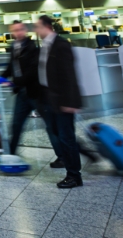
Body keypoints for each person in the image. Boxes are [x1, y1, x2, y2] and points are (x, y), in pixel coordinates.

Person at [35, 15, 84, 189]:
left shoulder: (61, 45)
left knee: (66, 137)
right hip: (50, 99)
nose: (36, 30)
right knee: (58, 134)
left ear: (46, 27)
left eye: (37, 27)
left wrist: (70, 101)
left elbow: (69, 76)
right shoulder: (45, 46)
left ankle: (74, 176)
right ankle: (72, 166)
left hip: (63, 100)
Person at [1, 21, 61, 156]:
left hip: (37, 94)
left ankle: (65, 156)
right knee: (16, 125)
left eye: (20, 29)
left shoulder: (32, 47)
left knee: (52, 126)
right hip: (22, 94)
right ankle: (10, 155)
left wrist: (14, 82)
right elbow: (12, 66)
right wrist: (2, 77)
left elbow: (32, 72)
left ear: (25, 30)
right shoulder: (13, 46)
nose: (18, 33)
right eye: (15, 30)